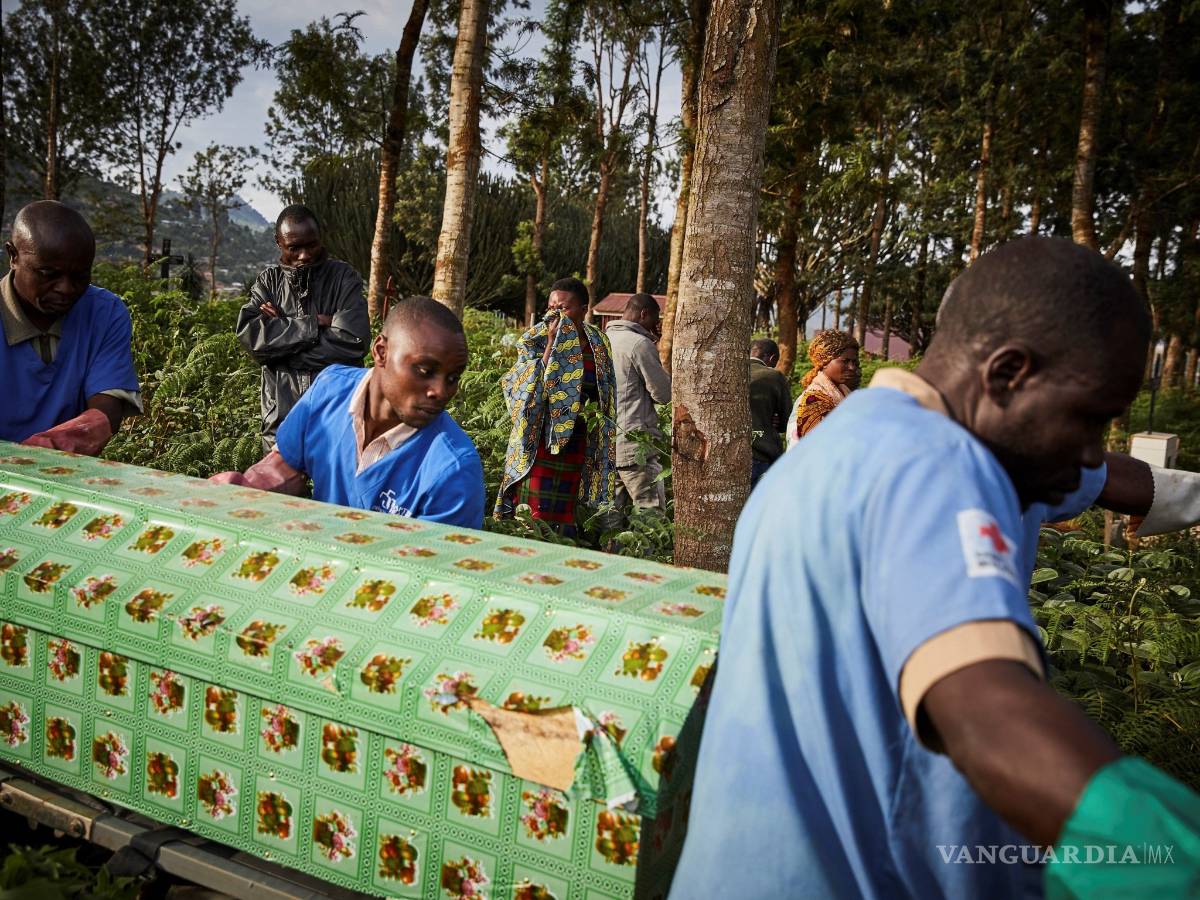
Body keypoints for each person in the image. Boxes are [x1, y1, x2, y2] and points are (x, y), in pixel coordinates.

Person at [668, 238, 1200, 899]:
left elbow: (1098, 478)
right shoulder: (936, 471)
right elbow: (985, 717)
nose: (1090, 450)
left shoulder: (865, 439)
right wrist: (1164, 855)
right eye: (1088, 420)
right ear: (1007, 374)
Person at [212, 297, 485, 529]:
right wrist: (248, 486)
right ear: (381, 352)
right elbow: (288, 465)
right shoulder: (329, 390)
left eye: (452, 377)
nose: (441, 391)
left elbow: (438, 573)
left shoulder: (454, 470)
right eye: (425, 371)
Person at [1, 201, 140, 455]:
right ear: (13, 256)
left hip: (67, 471)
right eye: (48, 273)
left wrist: (50, 447)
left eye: (79, 277)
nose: (66, 289)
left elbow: (107, 408)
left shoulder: (104, 313)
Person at [236, 205, 371, 452]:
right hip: (280, 420)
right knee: (280, 490)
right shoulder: (268, 282)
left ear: (321, 238)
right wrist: (314, 324)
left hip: (338, 416)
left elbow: (353, 342)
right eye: (294, 247)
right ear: (279, 243)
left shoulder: (344, 278)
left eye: (311, 245)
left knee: (334, 491)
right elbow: (252, 338)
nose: (304, 255)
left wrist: (281, 347)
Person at [495, 277, 617, 537]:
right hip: (540, 441)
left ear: (584, 309)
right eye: (551, 307)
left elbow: (606, 392)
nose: (554, 314)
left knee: (569, 515)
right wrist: (551, 343)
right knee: (533, 512)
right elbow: (528, 390)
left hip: (580, 440)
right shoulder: (535, 340)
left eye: (563, 308)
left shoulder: (598, 343)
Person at [607, 293, 671, 512]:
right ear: (644, 314)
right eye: (654, 320)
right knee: (650, 516)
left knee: (611, 520)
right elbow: (663, 394)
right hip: (635, 447)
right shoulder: (639, 344)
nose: (655, 326)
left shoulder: (602, 339)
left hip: (606, 446)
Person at [785, 328, 859, 449]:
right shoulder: (814, 400)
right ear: (824, 362)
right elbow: (813, 449)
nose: (852, 367)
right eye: (845, 361)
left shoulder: (842, 392)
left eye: (854, 362)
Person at [748, 338, 791, 486]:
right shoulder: (774, 377)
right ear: (772, 358)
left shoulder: (729, 372)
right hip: (762, 453)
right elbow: (788, 420)